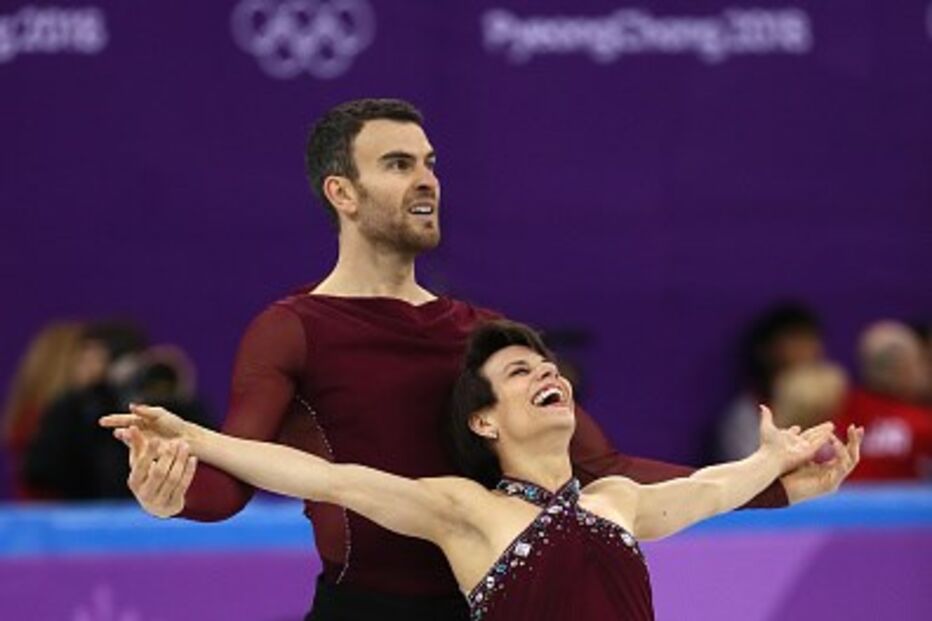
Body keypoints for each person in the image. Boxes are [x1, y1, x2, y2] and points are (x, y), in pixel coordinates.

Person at [120, 99, 861, 619]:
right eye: (399, 163)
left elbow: (605, 472)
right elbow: (236, 483)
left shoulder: (488, 334)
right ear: (341, 191)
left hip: (494, 604)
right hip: (371, 611)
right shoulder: (294, 328)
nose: (427, 180)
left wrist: (776, 481)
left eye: (432, 163)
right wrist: (170, 494)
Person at [101, 320, 862, 620]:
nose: (545, 372)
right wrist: (195, 435)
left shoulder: (619, 499)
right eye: (520, 370)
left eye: (548, 364)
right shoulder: (466, 509)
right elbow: (323, 479)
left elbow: (707, 489)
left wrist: (777, 464)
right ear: (484, 419)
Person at [835, 321, 932, 480]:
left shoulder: (837, 413)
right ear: (903, 368)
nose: (927, 370)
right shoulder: (923, 426)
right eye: (921, 361)